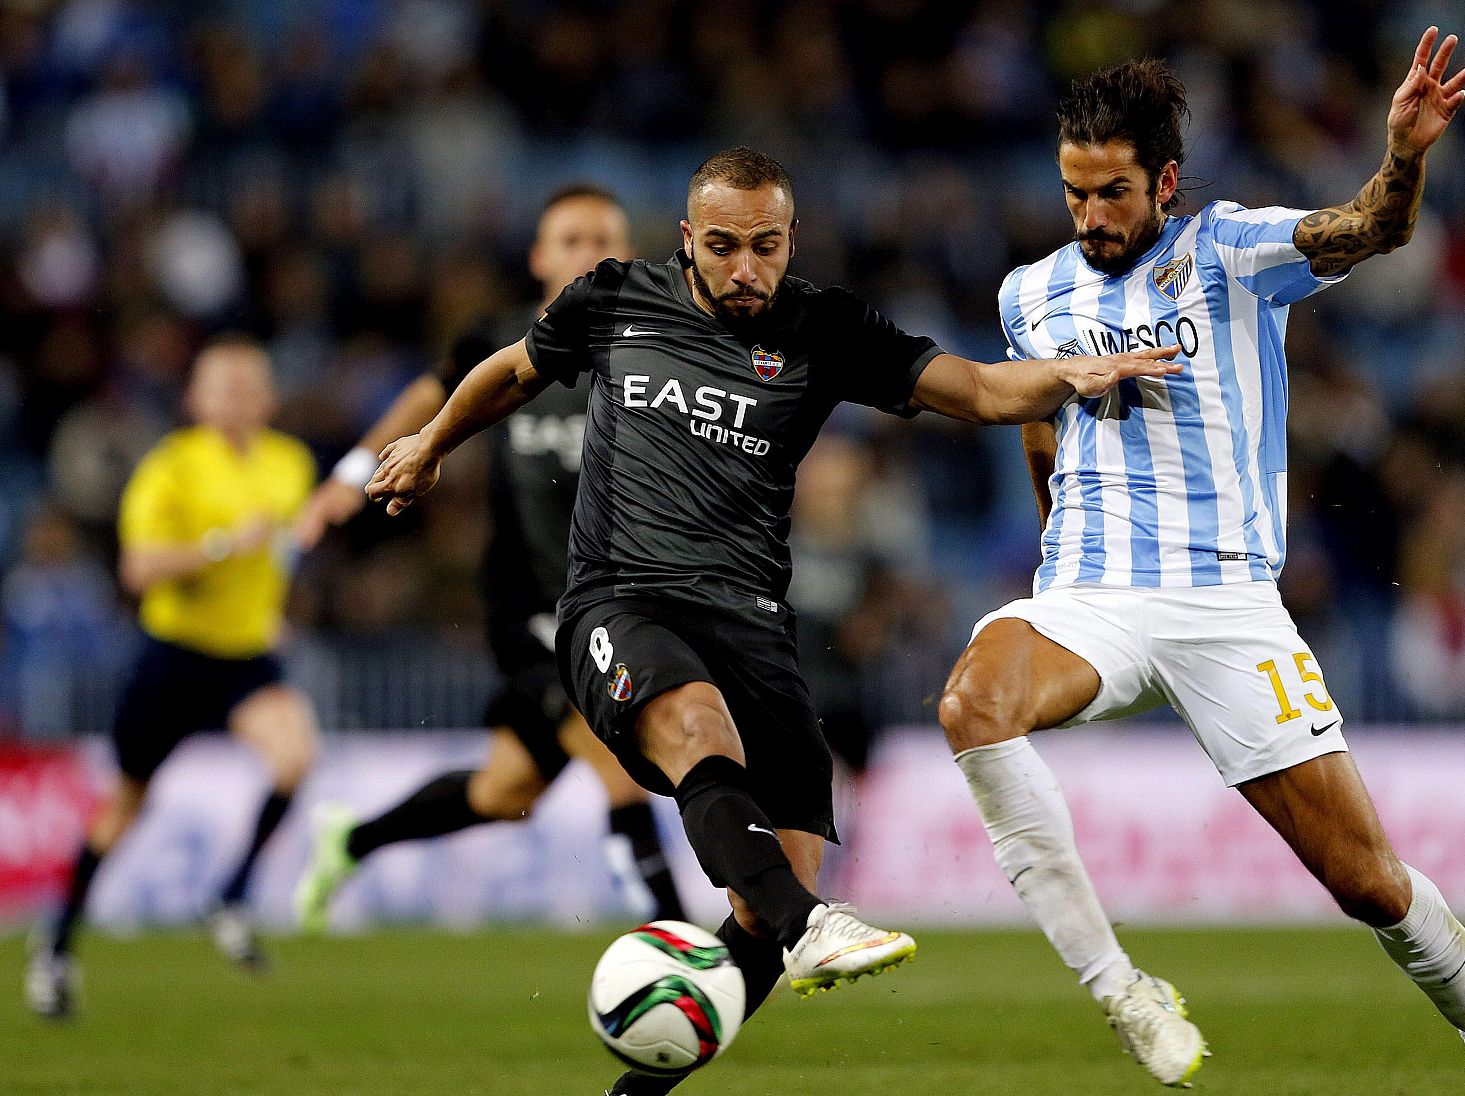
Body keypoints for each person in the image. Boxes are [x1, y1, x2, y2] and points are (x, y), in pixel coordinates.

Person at [365, 146, 1182, 1096]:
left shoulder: (825, 326)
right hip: (618, 599)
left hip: (751, 621)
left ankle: (642, 1085)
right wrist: (429, 445)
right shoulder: (614, 298)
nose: (745, 269)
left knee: (769, 887)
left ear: (790, 240)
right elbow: (511, 372)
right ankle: (816, 926)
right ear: (687, 240)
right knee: (703, 737)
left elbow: (980, 390)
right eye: (722, 247)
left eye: (765, 247)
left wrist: (1068, 373)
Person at [938, 31, 1465, 1095]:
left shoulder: (1230, 250)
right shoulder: (1027, 292)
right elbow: (1034, 416)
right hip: (1091, 597)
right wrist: (1056, 540)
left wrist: (1403, 154)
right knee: (969, 705)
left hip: (1228, 606)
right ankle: (1121, 989)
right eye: (1073, 194)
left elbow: (1373, 227)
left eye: (1113, 194)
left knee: (1364, 882)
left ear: (1165, 181)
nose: (1090, 218)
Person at [291, 185, 688, 930]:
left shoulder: (656, 354)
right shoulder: (503, 344)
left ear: (628, 254)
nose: (587, 252)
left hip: (623, 598)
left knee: (505, 792)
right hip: (533, 604)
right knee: (620, 759)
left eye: (601, 237)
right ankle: (683, 948)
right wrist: (353, 474)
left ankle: (351, 838)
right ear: (540, 258)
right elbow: (429, 396)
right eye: (569, 239)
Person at [27, 337, 320, 1019]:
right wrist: (219, 546)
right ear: (196, 398)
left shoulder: (290, 463)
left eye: (251, 384)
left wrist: (271, 611)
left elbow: (280, 556)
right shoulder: (170, 468)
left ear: (270, 398)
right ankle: (58, 944)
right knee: (126, 806)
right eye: (224, 385)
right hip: (175, 657)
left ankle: (230, 896)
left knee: (295, 757)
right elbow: (138, 569)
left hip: (245, 657)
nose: (239, 396)